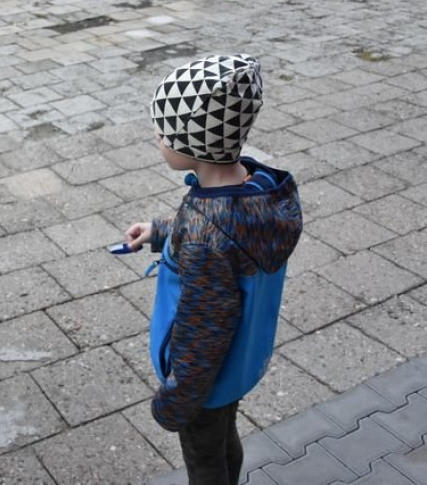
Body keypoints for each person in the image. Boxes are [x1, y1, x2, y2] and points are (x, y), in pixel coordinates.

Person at [120, 54, 303, 485]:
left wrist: (175, 401)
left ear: (192, 144)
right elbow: (225, 236)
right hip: (238, 366)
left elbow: (203, 333)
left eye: (163, 130)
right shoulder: (258, 191)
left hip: (203, 383)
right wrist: (162, 232)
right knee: (224, 441)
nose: (156, 135)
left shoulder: (206, 235)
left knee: (205, 463)